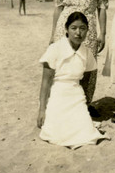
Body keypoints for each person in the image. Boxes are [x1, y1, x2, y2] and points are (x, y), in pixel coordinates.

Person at [49, 0, 107, 113]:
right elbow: (58, 7)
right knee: (65, 64)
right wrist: (53, 35)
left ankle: (85, 103)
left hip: (88, 27)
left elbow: (102, 8)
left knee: (87, 65)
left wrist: (102, 34)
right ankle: (63, 104)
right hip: (65, 27)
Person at [37, 12, 109, 149]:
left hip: (76, 96)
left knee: (85, 132)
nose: (78, 33)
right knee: (57, 133)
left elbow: (85, 82)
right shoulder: (55, 49)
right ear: (66, 29)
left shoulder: (87, 53)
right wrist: (42, 110)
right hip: (57, 94)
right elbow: (45, 83)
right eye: (74, 28)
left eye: (82, 28)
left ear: (88, 30)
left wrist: (84, 105)